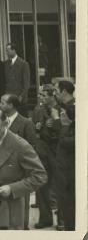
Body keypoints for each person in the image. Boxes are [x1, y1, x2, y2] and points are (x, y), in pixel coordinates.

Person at [0, 110, 47, 230]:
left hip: (10, 209)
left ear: (6, 123)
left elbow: (40, 176)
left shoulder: (20, 145)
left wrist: (12, 188)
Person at [31, 85, 59, 229]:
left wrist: (55, 122)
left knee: (61, 185)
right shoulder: (38, 110)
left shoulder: (61, 108)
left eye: (44, 95)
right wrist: (38, 127)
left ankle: (62, 220)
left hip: (58, 149)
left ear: (52, 95)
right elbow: (35, 129)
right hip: (43, 148)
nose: (40, 97)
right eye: (40, 95)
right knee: (42, 184)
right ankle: (45, 218)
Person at [53, 80, 75, 231]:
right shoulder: (61, 107)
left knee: (69, 204)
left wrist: (59, 122)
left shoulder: (72, 109)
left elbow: (67, 141)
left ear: (64, 91)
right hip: (62, 163)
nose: (55, 93)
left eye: (56, 90)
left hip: (69, 166)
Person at [4, 43, 31, 109]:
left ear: (14, 50)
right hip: (8, 97)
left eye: (8, 50)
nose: (6, 52)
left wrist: (21, 96)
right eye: (6, 51)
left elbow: (26, 83)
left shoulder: (23, 64)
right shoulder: (5, 64)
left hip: (19, 98)